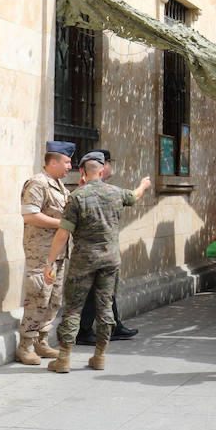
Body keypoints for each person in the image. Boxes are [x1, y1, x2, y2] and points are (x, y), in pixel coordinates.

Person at [42, 152, 151, 373]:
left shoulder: (76, 197)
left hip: (83, 260)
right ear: (101, 172)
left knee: (73, 308)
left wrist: (49, 262)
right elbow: (135, 195)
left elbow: (63, 233)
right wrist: (143, 184)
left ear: (82, 172)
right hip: (110, 260)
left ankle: (63, 359)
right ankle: (100, 356)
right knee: (105, 308)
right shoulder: (115, 193)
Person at [16, 141, 76, 365]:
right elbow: (30, 215)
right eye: (67, 162)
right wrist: (61, 223)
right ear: (53, 161)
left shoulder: (59, 185)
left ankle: (42, 341)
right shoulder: (37, 183)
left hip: (58, 253)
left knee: (53, 299)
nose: (70, 166)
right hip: (40, 253)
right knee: (38, 296)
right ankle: (26, 346)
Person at [75, 150, 141, 344]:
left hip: (97, 253)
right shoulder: (105, 191)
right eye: (108, 162)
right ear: (101, 168)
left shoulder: (86, 190)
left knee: (104, 291)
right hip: (96, 254)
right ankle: (86, 330)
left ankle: (111, 327)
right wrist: (143, 186)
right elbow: (132, 197)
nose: (110, 166)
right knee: (96, 292)